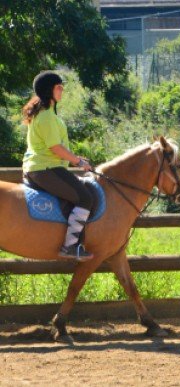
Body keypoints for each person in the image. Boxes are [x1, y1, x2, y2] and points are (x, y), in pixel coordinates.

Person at [22, 71, 94, 261]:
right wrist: (78, 162)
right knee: (85, 198)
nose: (62, 91)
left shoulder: (47, 115)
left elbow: (57, 147)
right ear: (49, 91)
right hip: (46, 169)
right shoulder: (46, 117)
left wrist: (75, 158)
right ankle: (70, 246)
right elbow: (55, 148)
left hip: (45, 167)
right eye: (58, 87)